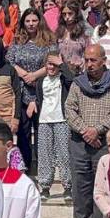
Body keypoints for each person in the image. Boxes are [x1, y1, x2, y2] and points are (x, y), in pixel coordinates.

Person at [65, 44, 110, 218]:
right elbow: (70, 110)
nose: (89, 64)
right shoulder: (78, 83)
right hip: (80, 142)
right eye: (86, 60)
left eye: (93, 60)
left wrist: (97, 129)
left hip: (105, 142)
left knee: (108, 184)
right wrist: (85, 130)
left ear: (104, 61)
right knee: (81, 185)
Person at [7, 8, 56, 172]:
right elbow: (10, 61)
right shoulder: (17, 40)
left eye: (34, 20)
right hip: (21, 91)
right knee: (23, 133)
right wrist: (24, 74)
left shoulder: (49, 41)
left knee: (42, 133)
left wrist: (35, 75)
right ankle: (24, 167)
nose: (31, 24)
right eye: (27, 21)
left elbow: (53, 60)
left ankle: (44, 169)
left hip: (42, 91)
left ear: (39, 21)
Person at [36, 52, 74, 199]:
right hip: (45, 120)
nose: (52, 67)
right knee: (45, 155)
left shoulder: (63, 79)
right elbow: (40, 98)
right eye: (49, 64)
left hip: (61, 120)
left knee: (64, 154)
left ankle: (68, 186)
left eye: (55, 64)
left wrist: (62, 64)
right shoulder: (41, 81)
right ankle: (45, 187)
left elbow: (73, 80)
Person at [55, 1, 90, 74]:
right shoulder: (59, 31)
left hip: (78, 71)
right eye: (64, 14)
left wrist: (83, 61)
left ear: (76, 14)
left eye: (70, 13)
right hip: (61, 71)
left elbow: (88, 52)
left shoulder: (84, 32)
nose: (67, 17)